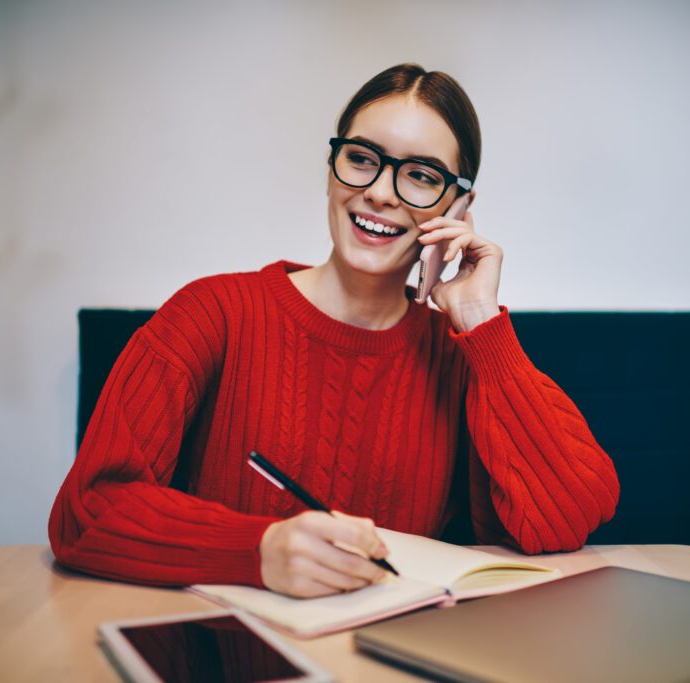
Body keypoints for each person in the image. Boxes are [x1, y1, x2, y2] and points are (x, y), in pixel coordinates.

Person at [49, 63, 619, 599]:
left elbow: (568, 520)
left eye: (421, 176)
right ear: (331, 169)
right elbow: (86, 511)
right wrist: (256, 550)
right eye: (363, 157)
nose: (380, 192)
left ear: (459, 207)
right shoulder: (211, 313)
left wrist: (479, 322)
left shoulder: (460, 356)